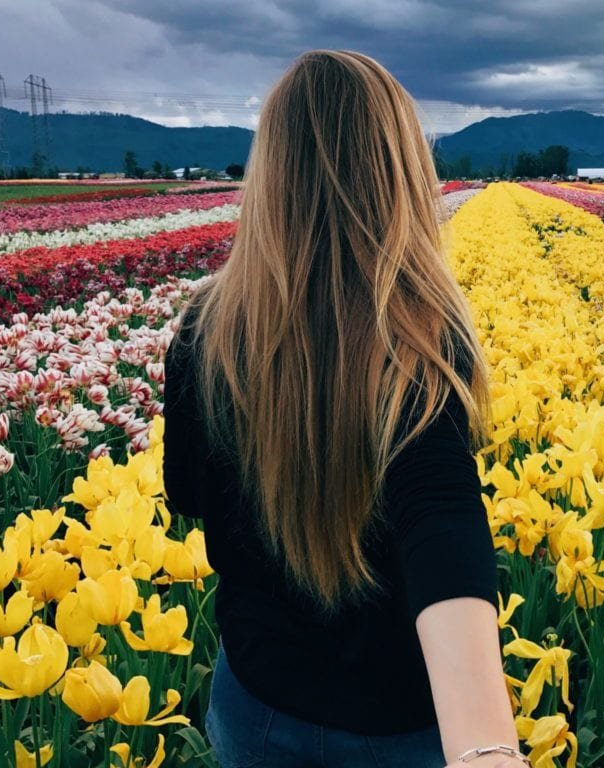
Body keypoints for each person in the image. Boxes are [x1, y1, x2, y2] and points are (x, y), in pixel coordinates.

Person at [161, 50, 530, 768]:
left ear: (269, 175)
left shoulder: (204, 330)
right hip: (398, 727)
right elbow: (440, 518)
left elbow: (188, 495)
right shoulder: (423, 335)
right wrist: (484, 747)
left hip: (257, 703)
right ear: (399, 171)